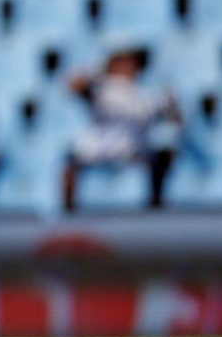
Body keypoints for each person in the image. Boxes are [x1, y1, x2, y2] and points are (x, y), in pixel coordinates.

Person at [63, 45, 181, 212]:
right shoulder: (101, 87)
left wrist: (171, 105)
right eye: (121, 61)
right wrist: (98, 72)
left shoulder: (145, 93)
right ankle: (68, 212)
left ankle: (155, 206)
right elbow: (74, 86)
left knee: (163, 154)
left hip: (131, 148)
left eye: (131, 62)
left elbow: (176, 119)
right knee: (69, 161)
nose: (128, 66)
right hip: (98, 145)